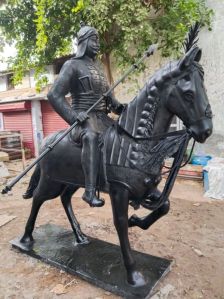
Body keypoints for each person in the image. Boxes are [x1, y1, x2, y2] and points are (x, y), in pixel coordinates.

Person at [47, 24, 124, 207]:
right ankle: (90, 191)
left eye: (98, 40)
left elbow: (109, 98)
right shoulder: (72, 65)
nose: (97, 44)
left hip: (102, 118)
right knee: (92, 136)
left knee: (124, 134)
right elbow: (53, 95)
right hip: (84, 120)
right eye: (94, 39)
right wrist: (73, 116)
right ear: (83, 41)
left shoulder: (98, 68)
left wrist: (118, 106)